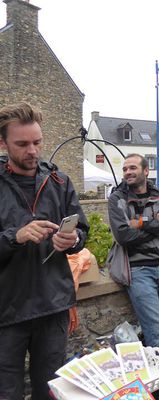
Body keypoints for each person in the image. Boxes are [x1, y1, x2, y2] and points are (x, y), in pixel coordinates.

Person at [0, 102, 89, 399]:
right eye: (22, 144)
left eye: (37, 142)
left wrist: (72, 239)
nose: (33, 151)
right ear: (3, 143)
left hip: (53, 306)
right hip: (7, 310)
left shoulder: (59, 182)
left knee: (50, 391)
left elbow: (82, 232)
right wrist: (16, 236)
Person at [108, 153, 159, 391]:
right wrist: (156, 225)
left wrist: (142, 223)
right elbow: (123, 236)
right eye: (125, 169)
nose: (128, 172)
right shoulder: (117, 199)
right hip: (138, 270)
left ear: (145, 171)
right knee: (156, 329)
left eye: (133, 168)